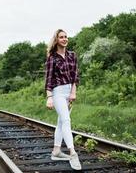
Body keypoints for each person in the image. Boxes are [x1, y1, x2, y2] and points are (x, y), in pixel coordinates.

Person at [45, 29, 82, 170]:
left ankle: (56, 151)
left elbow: (75, 76)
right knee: (66, 120)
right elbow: (48, 79)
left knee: (61, 122)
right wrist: (49, 97)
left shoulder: (72, 55)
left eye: (66, 37)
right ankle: (73, 153)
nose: (65, 39)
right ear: (56, 40)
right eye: (61, 37)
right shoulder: (52, 58)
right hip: (58, 92)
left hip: (69, 92)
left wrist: (73, 92)